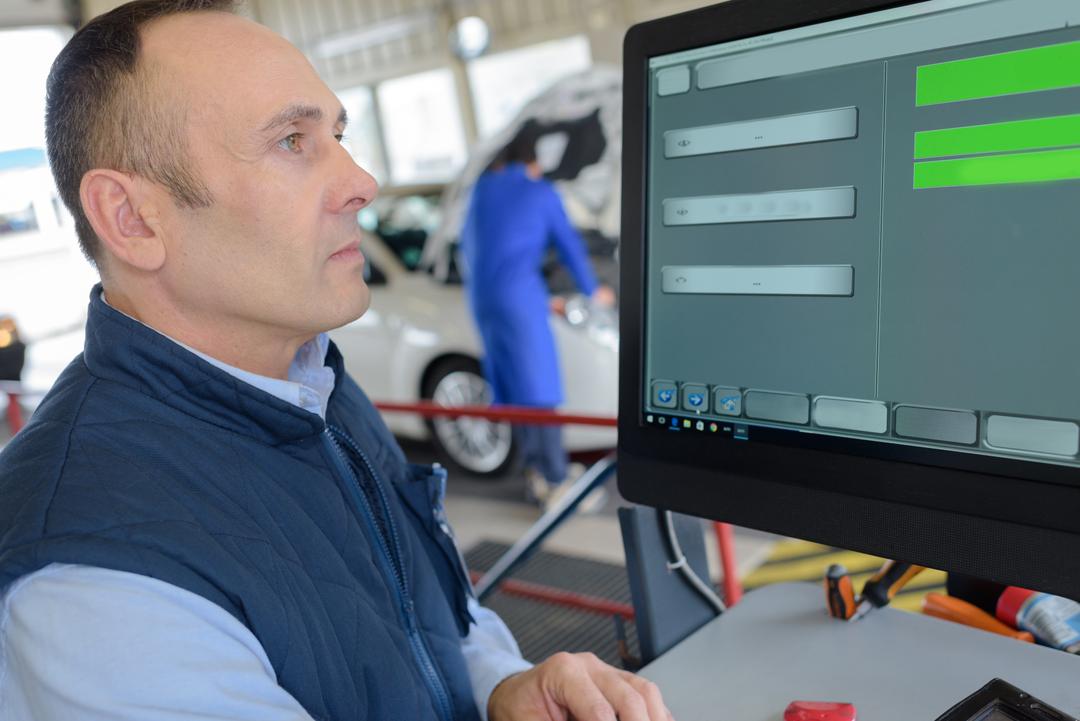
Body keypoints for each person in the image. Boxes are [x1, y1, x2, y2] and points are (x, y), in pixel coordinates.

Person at [0, 3, 673, 721]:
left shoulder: (313, 386)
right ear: (132, 219)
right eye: (292, 140)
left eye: (339, 134)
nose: (361, 180)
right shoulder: (96, 584)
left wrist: (498, 686)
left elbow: (429, 620)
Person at [460, 125, 615, 508]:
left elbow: (472, 247)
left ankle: (535, 471)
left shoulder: (483, 190)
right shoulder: (539, 191)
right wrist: (595, 291)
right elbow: (569, 247)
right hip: (518, 298)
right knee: (539, 390)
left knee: (514, 390)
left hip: (482, 299)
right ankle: (557, 481)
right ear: (534, 163)